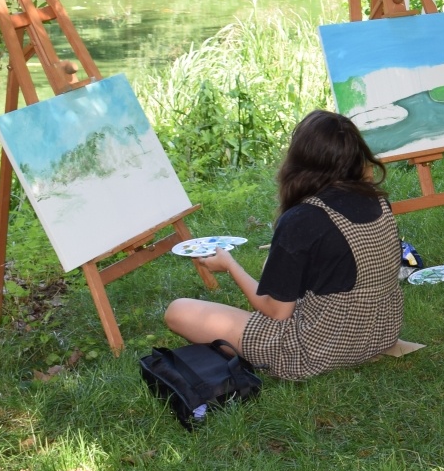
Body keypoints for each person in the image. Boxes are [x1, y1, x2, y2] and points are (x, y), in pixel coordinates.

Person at [165, 110, 403, 380]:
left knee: (179, 311)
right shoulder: (377, 200)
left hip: (320, 348)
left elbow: (277, 312)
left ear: (301, 159)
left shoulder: (304, 218)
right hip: (381, 333)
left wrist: (230, 265)